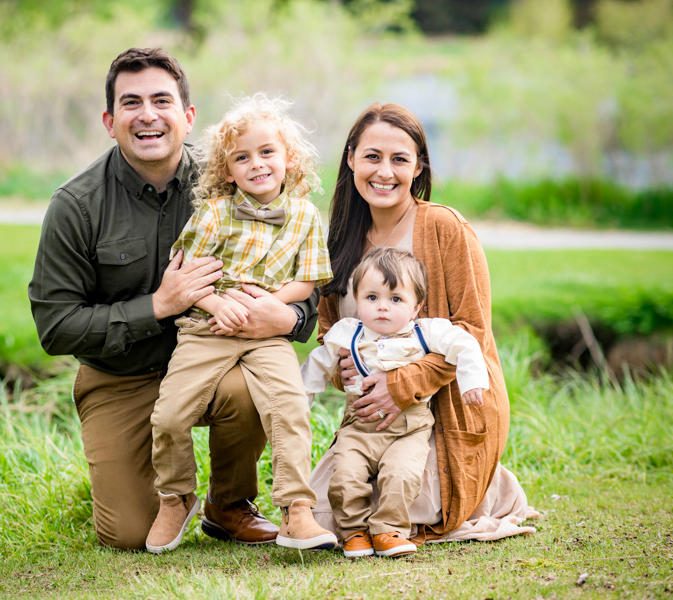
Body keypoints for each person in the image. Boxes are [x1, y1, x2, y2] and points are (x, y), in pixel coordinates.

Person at [28, 48, 319, 552]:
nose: (147, 115)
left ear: (186, 116)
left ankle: (230, 504)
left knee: (256, 383)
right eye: (131, 103)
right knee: (128, 535)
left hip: (216, 353)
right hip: (120, 377)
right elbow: (56, 328)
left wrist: (287, 315)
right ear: (110, 120)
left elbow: (299, 270)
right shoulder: (76, 206)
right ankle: (174, 499)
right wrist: (158, 305)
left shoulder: (237, 173)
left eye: (161, 100)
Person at [309, 103, 537, 545]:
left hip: (441, 412)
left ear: (418, 167)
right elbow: (328, 336)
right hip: (370, 422)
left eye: (400, 159)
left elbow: (473, 330)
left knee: (409, 511)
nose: (384, 172)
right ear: (351, 158)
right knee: (324, 519)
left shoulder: (445, 228)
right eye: (372, 156)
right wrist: (347, 373)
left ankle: (489, 484)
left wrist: (401, 385)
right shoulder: (337, 241)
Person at [146, 94, 337, 554]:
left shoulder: (306, 216)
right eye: (242, 157)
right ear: (227, 170)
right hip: (205, 329)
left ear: (289, 158)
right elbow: (186, 274)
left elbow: (307, 281)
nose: (256, 164)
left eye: (267, 152)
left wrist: (270, 304)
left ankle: (296, 511)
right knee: (169, 415)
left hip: (266, 331)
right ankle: (177, 495)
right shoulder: (214, 214)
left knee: (290, 408)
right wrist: (216, 304)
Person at [301, 246, 489, 557]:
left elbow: (465, 343)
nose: (382, 308)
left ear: (417, 307)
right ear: (357, 301)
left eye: (396, 299)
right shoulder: (348, 334)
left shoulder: (424, 332)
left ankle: (389, 530)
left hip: (409, 428)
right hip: (359, 428)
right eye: (372, 298)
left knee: (400, 476)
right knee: (345, 478)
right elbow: (315, 368)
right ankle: (354, 532)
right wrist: (300, 406)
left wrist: (473, 381)